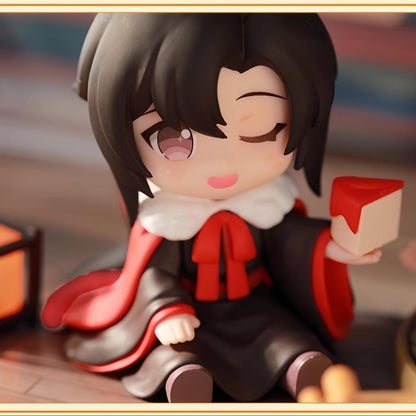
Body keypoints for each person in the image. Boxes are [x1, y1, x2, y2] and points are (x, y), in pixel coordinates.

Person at [42, 13, 381, 402]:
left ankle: (299, 370)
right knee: (178, 352)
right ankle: (184, 378)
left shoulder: (267, 206)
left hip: (255, 307)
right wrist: (167, 310)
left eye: (262, 132)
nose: (223, 165)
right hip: (188, 310)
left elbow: (291, 241)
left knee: (287, 340)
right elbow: (155, 272)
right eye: (172, 140)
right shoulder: (166, 219)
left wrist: (330, 246)